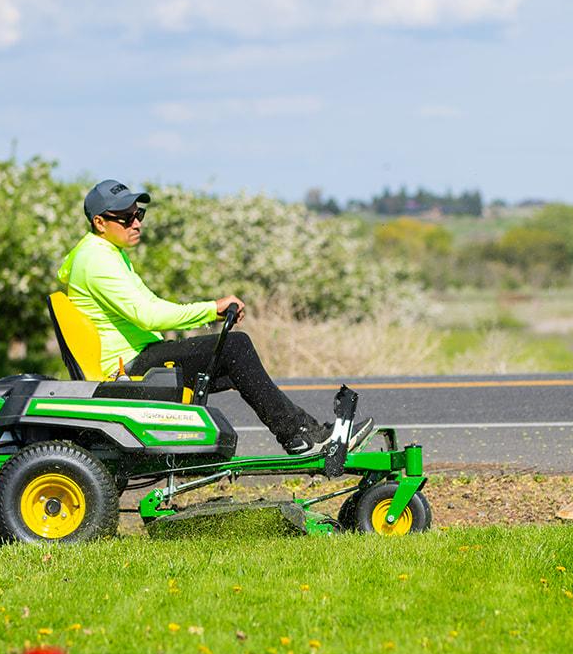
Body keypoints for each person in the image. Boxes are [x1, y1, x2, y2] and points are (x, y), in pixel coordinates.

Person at [58, 179, 355, 456]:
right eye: (126, 218)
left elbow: (149, 306)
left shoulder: (107, 252)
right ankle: (298, 434)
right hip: (128, 367)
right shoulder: (96, 260)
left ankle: (303, 433)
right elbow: (149, 316)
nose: (136, 223)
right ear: (99, 222)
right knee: (234, 347)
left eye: (139, 215)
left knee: (235, 363)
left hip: (137, 356)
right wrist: (211, 309)